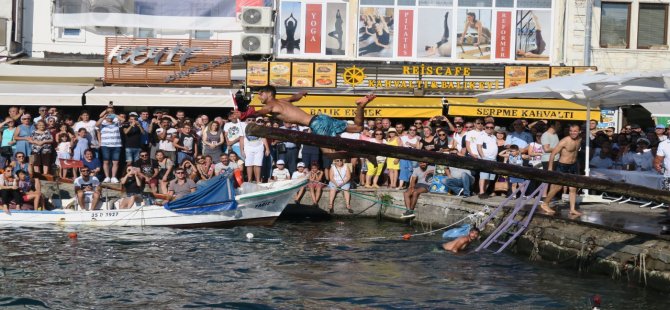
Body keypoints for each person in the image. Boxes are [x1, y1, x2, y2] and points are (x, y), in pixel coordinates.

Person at [251, 85, 376, 159]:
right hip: (321, 118)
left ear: (268, 93)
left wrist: (246, 113)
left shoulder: (271, 106)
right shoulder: (282, 101)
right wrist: (302, 94)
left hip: (316, 124)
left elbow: (258, 113)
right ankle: (360, 106)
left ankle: (365, 155)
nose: (259, 97)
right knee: (358, 128)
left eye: (260, 94)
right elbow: (295, 97)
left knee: (329, 155)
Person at [541, 124, 583, 216]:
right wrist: (550, 167)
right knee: (557, 187)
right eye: (571, 131)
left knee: (573, 188)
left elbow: (575, 153)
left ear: (579, 131)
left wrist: (577, 166)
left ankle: (572, 209)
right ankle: (545, 203)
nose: (573, 133)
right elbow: (553, 153)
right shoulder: (564, 141)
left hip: (573, 165)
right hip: (563, 165)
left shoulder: (580, 139)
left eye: (575, 131)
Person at [241, 118, 270, 183]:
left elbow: (263, 138)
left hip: (259, 147)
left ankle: (258, 181)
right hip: (248, 148)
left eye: (253, 120)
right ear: (246, 121)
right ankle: (249, 180)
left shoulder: (259, 128)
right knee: (249, 164)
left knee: (258, 164)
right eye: (249, 120)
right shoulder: (243, 128)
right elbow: (241, 139)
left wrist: (267, 149)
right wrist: (242, 150)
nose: (251, 121)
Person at [97, 110, 122, 183]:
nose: (109, 117)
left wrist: (113, 114)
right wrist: (104, 115)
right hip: (105, 145)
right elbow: (96, 124)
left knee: (115, 162)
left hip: (116, 145)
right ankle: (107, 177)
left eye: (110, 116)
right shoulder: (102, 123)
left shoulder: (117, 123)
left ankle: (114, 177)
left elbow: (123, 119)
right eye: (108, 116)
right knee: (106, 161)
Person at [477, 122, 499, 197]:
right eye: (487, 127)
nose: (489, 128)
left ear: (493, 128)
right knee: (483, 176)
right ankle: (481, 192)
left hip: (493, 159)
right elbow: (479, 147)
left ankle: (485, 192)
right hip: (485, 158)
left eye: (491, 127)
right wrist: (483, 157)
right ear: (484, 128)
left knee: (490, 177)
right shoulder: (481, 135)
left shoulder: (494, 137)